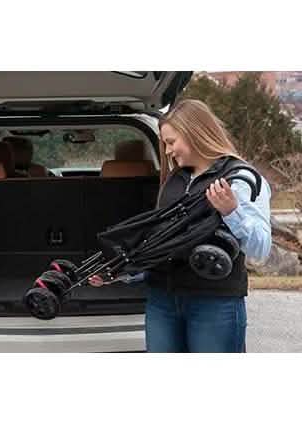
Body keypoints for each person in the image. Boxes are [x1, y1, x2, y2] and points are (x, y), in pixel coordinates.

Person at [89, 99, 272, 353]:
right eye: (164, 144)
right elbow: (163, 245)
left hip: (214, 304)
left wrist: (232, 212)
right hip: (162, 301)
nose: (167, 151)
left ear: (195, 133)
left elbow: (261, 248)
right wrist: (121, 271)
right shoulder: (175, 179)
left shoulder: (241, 179)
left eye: (171, 142)